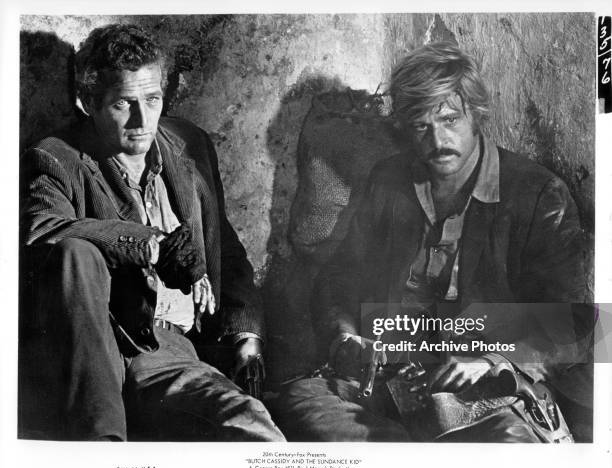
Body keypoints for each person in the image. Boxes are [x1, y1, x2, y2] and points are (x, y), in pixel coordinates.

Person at [271, 41, 592, 442]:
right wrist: (344, 336)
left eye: (450, 120)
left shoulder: (539, 194)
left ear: (476, 115)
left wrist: (492, 360)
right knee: (299, 403)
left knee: (506, 455)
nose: (437, 140)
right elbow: (341, 276)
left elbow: (573, 321)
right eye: (422, 126)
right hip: (392, 380)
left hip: (486, 392)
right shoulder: (389, 180)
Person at [19, 23, 285, 442]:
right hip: (101, 339)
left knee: (250, 426)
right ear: (87, 101)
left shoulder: (189, 143)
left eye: (153, 99)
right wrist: (151, 245)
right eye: (125, 103)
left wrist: (246, 333)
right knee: (75, 250)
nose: (143, 120)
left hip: (167, 348)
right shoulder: (56, 158)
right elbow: (44, 231)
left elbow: (226, 251)